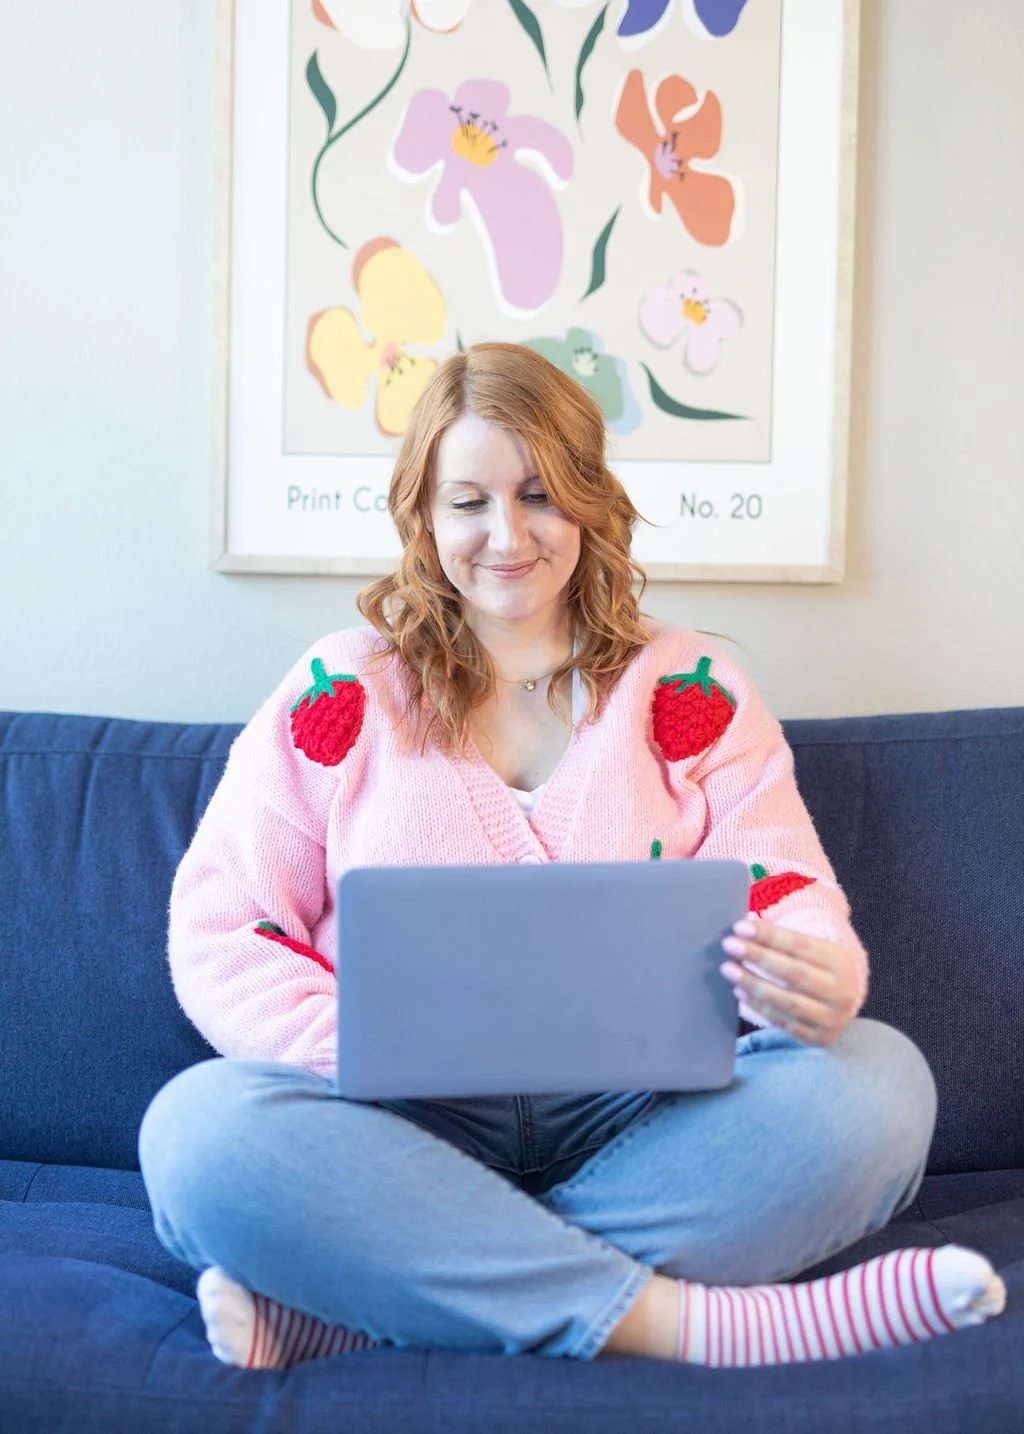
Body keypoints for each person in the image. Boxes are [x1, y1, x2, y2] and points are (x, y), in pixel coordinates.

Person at [138, 342, 1005, 1370]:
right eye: (469, 502)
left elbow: (782, 885)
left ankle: (370, 1304)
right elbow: (224, 927)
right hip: (393, 1127)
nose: (507, 535)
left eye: (541, 494)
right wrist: (360, 1050)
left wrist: (811, 976)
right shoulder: (342, 688)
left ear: (590, 499)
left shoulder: (692, 684)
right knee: (196, 1131)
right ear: (423, 515)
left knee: (880, 1081)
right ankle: (687, 1324)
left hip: (647, 1122)